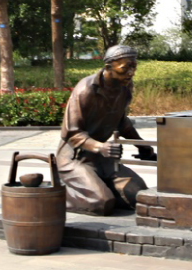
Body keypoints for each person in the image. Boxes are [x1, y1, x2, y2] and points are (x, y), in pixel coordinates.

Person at [57, 45, 156, 215]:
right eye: (125, 68)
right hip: (75, 157)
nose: (131, 73)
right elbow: (72, 133)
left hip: (102, 158)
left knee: (138, 195)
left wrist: (143, 146)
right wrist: (100, 147)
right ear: (108, 67)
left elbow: (122, 122)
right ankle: (56, 195)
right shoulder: (86, 89)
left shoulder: (125, 87)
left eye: (134, 67)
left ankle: (100, 187)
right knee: (101, 202)